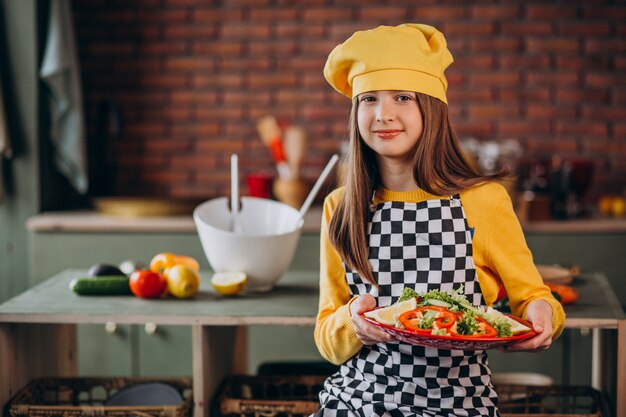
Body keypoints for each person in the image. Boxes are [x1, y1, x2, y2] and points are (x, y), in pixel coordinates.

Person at [313, 23, 565, 417]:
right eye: (369, 99)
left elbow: (535, 296)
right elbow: (327, 340)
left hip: (459, 403)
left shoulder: (484, 202)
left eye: (402, 97)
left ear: (431, 107)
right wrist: (351, 322)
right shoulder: (340, 206)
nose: (383, 114)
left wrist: (544, 315)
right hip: (357, 401)